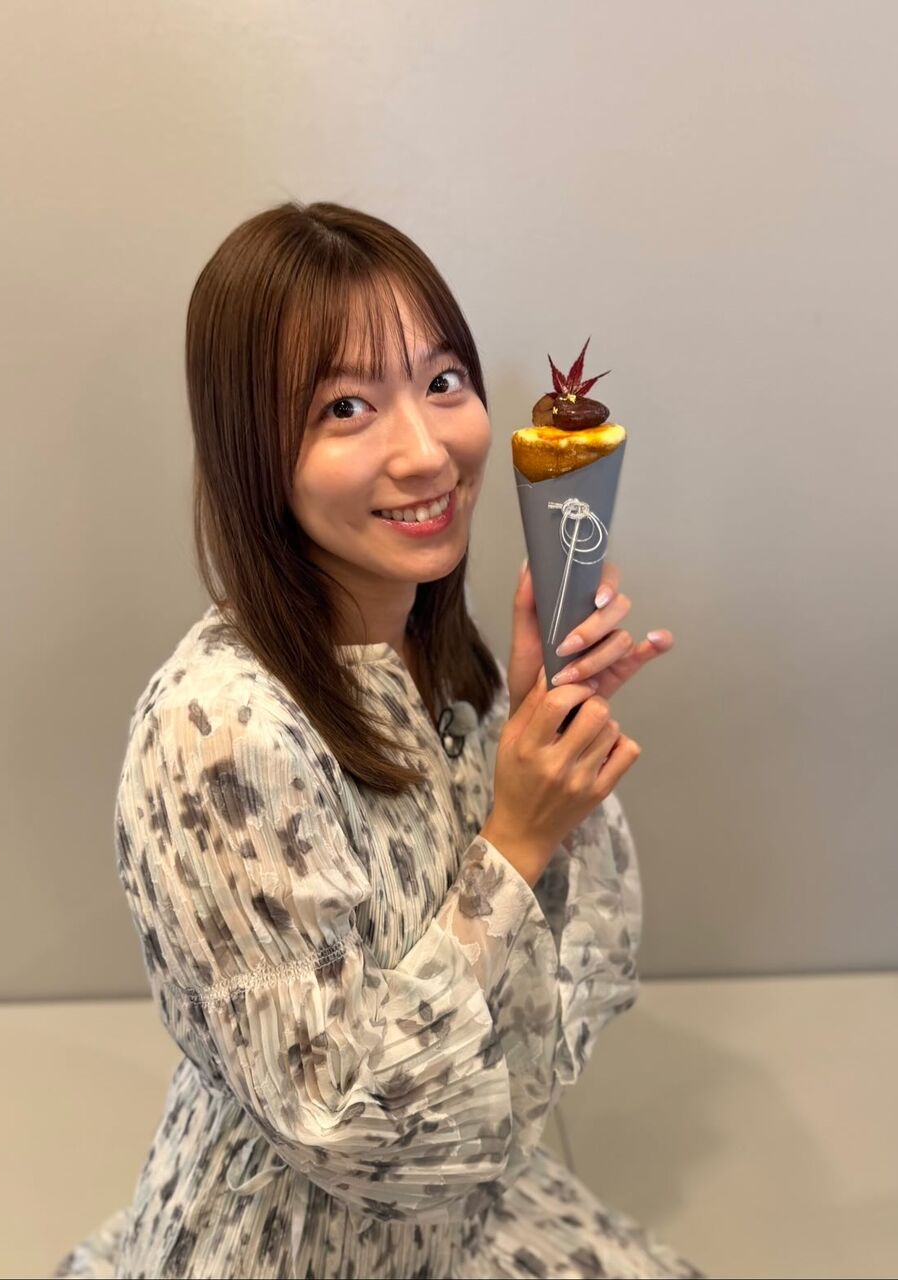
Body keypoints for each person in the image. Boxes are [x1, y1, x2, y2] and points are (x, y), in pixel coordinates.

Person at [51, 201, 705, 1279]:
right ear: (253, 451)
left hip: (462, 1205)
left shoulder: (430, 655)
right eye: (346, 406)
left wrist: (544, 722)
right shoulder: (219, 734)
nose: (427, 451)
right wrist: (514, 841)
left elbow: (558, 1001)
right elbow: (345, 1122)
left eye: (443, 381)